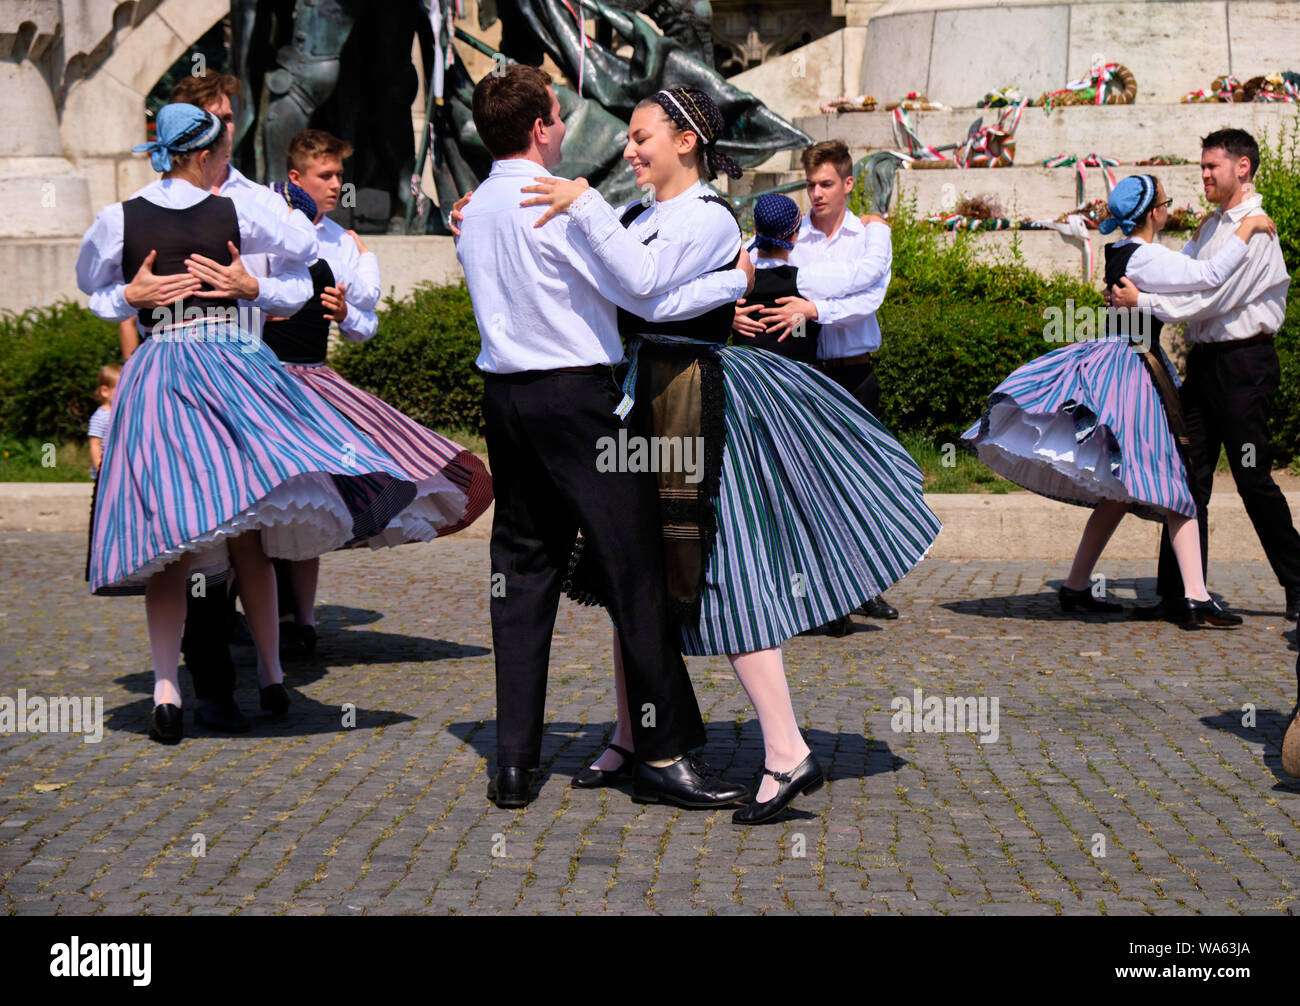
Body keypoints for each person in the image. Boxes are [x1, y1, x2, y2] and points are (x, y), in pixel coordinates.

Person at [525, 86, 941, 823]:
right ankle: (634, 731)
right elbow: (612, 292)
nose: (628, 148)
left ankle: (785, 749)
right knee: (629, 566)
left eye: (641, 135)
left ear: (686, 140)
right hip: (646, 392)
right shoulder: (637, 216)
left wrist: (715, 279)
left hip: (692, 395)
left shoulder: (711, 218)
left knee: (722, 566)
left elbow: (645, 298)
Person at [456, 66, 754, 810]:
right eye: (558, 117)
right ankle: (662, 752)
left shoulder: (476, 210)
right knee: (635, 567)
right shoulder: (556, 205)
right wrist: (729, 285)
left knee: (522, 574)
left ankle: (516, 762)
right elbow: (641, 291)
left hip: (505, 400)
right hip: (577, 401)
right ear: (539, 128)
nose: (569, 128)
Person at [75, 103, 417, 743]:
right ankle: (248, 675)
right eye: (224, 153)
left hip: (175, 370)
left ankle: (186, 685)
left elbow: (89, 287)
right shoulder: (228, 208)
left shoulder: (123, 215)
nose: (228, 163)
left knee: (174, 537)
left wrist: (140, 296)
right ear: (205, 156)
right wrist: (239, 288)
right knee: (237, 537)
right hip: (216, 367)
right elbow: (303, 254)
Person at [964, 174, 1274, 625]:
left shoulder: (1124, 251)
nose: (1170, 207)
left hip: (1116, 357)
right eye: (1166, 202)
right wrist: (1244, 229)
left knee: (1118, 490)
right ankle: (1195, 596)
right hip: (1133, 370)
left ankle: (1076, 586)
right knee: (1174, 481)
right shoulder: (1145, 257)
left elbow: (1174, 267)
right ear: (1155, 212)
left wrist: (1201, 234)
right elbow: (1205, 276)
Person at [111, 74, 318, 734]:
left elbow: (300, 276)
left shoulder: (253, 201)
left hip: (243, 381)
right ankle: (208, 688)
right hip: (177, 378)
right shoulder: (146, 207)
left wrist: (251, 284)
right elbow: (114, 288)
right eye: (215, 119)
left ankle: (263, 673)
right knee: (186, 535)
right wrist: (130, 309)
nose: (228, 130)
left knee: (242, 539)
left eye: (231, 116)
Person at [262, 130, 493, 653]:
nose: (336, 184)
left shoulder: (341, 242)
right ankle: (249, 614)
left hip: (311, 383)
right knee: (261, 500)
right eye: (325, 175)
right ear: (295, 177)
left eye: (339, 175)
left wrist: (346, 311)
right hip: (263, 382)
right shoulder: (266, 229)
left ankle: (299, 622)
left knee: (309, 499)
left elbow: (364, 324)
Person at [1111, 130, 1300, 627]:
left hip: (1245, 367)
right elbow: (1181, 273)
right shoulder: (1212, 225)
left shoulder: (1257, 231)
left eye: (1213, 166)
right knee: (1185, 478)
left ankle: (1298, 584)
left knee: (1252, 477)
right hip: (1205, 365)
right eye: (1202, 166)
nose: (1204, 175)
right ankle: (1180, 594)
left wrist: (1142, 304)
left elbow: (1209, 298)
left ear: (1243, 167)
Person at [734, 139, 900, 622]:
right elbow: (742, 277)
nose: (817, 193)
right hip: (805, 379)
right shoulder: (786, 233)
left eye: (826, 183)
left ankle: (866, 584)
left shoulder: (866, 235)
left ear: (848, 184)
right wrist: (733, 314)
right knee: (813, 487)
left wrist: (814, 308)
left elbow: (870, 299)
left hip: (853, 374)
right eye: (810, 184)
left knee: (864, 483)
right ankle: (824, 594)